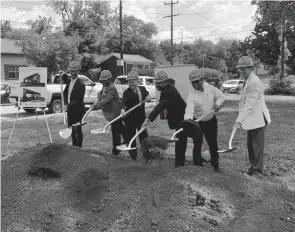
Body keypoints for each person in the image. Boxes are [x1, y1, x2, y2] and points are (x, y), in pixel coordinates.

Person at [233, 56, 271, 176]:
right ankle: (253, 168)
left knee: (257, 146)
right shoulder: (247, 79)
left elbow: (249, 104)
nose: (241, 71)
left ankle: (257, 171)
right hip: (252, 118)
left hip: (258, 118)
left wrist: (239, 120)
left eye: (244, 69)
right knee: (250, 144)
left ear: (251, 68)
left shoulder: (254, 82)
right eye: (240, 68)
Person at [141, 71, 187, 168]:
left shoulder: (167, 92)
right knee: (181, 139)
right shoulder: (169, 88)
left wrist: (149, 118)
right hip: (180, 116)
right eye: (156, 83)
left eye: (159, 83)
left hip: (180, 118)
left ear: (165, 82)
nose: (157, 85)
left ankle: (179, 163)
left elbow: (160, 106)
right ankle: (181, 161)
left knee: (180, 140)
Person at [184, 69, 225, 172]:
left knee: (213, 144)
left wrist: (218, 104)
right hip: (198, 122)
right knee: (198, 143)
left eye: (197, 81)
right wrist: (188, 120)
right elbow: (189, 109)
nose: (195, 84)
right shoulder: (191, 95)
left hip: (211, 120)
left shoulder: (210, 88)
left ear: (202, 80)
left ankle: (215, 165)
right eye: (193, 82)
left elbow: (221, 96)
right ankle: (197, 165)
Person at [91, 70, 127, 155]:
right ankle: (127, 139)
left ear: (109, 79)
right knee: (120, 128)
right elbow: (101, 93)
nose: (103, 81)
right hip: (110, 112)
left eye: (105, 80)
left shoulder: (112, 88)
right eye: (102, 80)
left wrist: (97, 105)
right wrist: (99, 95)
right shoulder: (105, 86)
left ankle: (116, 150)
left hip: (115, 112)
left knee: (115, 131)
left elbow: (107, 99)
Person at [121, 71, 152, 162]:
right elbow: (123, 103)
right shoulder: (126, 93)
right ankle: (134, 157)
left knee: (144, 137)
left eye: (132, 82)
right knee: (131, 138)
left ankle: (147, 156)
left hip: (141, 118)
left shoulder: (142, 89)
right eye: (129, 82)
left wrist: (148, 98)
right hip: (130, 120)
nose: (131, 84)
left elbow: (148, 96)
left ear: (137, 81)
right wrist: (122, 109)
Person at [62, 61, 86, 148]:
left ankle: (79, 148)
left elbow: (79, 100)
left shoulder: (81, 84)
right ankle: (74, 147)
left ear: (78, 71)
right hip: (70, 110)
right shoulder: (70, 81)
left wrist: (67, 105)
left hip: (78, 110)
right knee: (71, 129)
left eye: (75, 71)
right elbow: (65, 78)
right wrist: (63, 73)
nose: (72, 73)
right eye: (71, 71)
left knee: (78, 130)